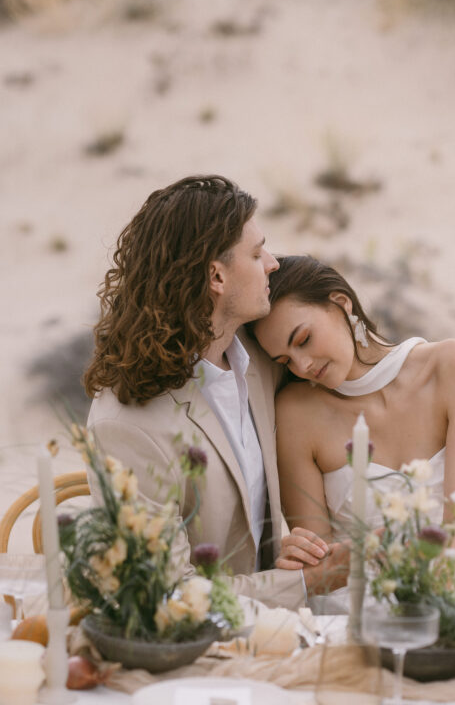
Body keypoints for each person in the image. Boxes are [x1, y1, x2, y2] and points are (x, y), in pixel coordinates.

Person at [84, 176, 349, 609]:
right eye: (257, 253)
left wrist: (445, 498)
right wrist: (306, 583)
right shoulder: (127, 425)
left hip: (276, 625)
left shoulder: (265, 356)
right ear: (216, 276)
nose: (272, 265)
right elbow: (165, 595)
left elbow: (357, 396)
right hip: (197, 648)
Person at [251, 255, 455, 574]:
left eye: (304, 340)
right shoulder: (295, 415)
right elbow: (322, 570)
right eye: (285, 361)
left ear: (341, 303)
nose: (303, 366)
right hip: (353, 607)